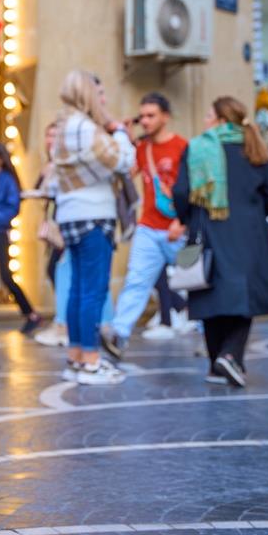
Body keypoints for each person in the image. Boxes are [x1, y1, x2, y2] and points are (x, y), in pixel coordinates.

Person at [173, 96, 268, 387]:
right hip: (249, 232)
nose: (205, 122)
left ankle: (219, 362)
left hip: (207, 229)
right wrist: (254, 210)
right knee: (244, 295)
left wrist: (189, 217)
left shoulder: (197, 147)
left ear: (222, 120)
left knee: (209, 292)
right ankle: (230, 356)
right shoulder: (253, 148)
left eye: (209, 116)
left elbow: (180, 191)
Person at [51, 70, 135, 384]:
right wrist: (120, 132)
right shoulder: (86, 128)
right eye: (98, 94)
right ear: (86, 94)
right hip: (93, 215)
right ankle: (90, 361)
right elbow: (123, 160)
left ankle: (75, 358)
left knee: (77, 290)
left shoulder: (63, 127)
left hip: (71, 215)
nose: (103, 100)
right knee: (94, 290)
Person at [100, 92, 187, 360]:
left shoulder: (182, 146)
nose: (146, 121)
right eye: (143, 116)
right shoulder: (142, 147)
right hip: (148, 228)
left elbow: (194, 188)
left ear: (166, 117)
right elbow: (125, 174)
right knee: (136, 280)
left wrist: (182, 222)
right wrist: (124, 135)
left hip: (178, 229)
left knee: (198, 284)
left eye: (151, 116)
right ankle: (119, 335)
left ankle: (218, 338)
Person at [0, 142, 41, 335]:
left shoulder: (7, 180)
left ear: (0, 158)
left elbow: (12, 207)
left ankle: (30, 313)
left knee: (6, 275)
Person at [34, 122, 69, 347]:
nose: (50, 140)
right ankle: (63, 321)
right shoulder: (49, 165)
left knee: (60, 270)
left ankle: (64, 324)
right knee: (57, 270)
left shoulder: (63, 164)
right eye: (48, 135)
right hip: (56, 223)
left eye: (55, 136)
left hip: (66, 224)